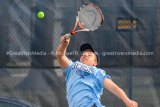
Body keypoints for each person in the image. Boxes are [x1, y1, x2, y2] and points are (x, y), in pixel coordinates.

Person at [56, 34, 138, 107]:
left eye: (90, 54)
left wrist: (127, 100)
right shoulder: (72, 67)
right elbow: (60, 56)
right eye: (84, 53)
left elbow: (113, 87)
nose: (85, 54)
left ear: (95, 63)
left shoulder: (97, 72)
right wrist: (64, 45)